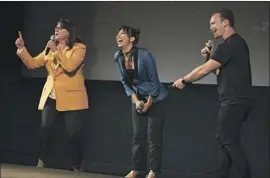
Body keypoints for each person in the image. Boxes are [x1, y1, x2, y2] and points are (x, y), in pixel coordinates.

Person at [173, 8, 253, 178]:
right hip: (233, 101)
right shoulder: (233, 45)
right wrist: (210, 56)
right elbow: (215, 69)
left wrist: (184, 80)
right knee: (224, 142)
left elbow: (203, 70)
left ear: (225, 22)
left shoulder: (231, 44)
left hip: (233, 102)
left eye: (213, 23)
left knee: (229, 142)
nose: (211, 27)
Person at [15, 18, 88, 171]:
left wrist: (56, 50)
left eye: (60, 28)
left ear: (68, 32)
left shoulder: (79, 48)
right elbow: (33, 63)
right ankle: (42, 161)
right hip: (51, 95)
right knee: (45, 128)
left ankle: (77, 164)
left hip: (72, 97)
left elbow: (69, 67)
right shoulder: (49, 48)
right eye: (56, 28)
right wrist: (22, 49)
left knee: (72, 134)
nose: (56, 30)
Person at [114, 26, 168, 178]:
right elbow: (125, 82)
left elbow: (154, 82)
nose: (118, 36)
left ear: (132, 39)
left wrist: (148, 103)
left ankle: (154, 171)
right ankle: (137, 170)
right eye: (117, 34)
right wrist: (136, 101)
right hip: (138, 98)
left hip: (156, 99)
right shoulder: (118, 57)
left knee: (153, 137)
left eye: (123, 33)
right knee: (138, 136)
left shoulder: (144, 56)